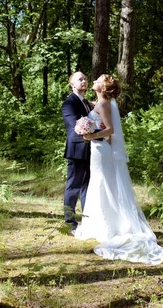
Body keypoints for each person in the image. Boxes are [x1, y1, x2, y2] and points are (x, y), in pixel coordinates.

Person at [74, 74, 163, 265]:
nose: (94, 82)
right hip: (97, 149)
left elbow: (110, 130)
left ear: (103, 88)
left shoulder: (104, 105)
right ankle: (98, 224)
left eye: (98, 81)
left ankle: (109, 226)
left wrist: (91, 135)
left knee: (102, 183)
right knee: (99, 183)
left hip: (101, 149)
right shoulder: (99, 104)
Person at [61, 71, 93, 232]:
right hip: (77, 149)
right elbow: (75, 127)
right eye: (80, 79)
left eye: (85, 79)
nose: (84, 81)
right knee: (73, 186)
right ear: (72, 84)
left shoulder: (87, 103)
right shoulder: (69, 103)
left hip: (91, 150)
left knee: (87, 186)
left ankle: (87, 222)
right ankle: (69, 223)